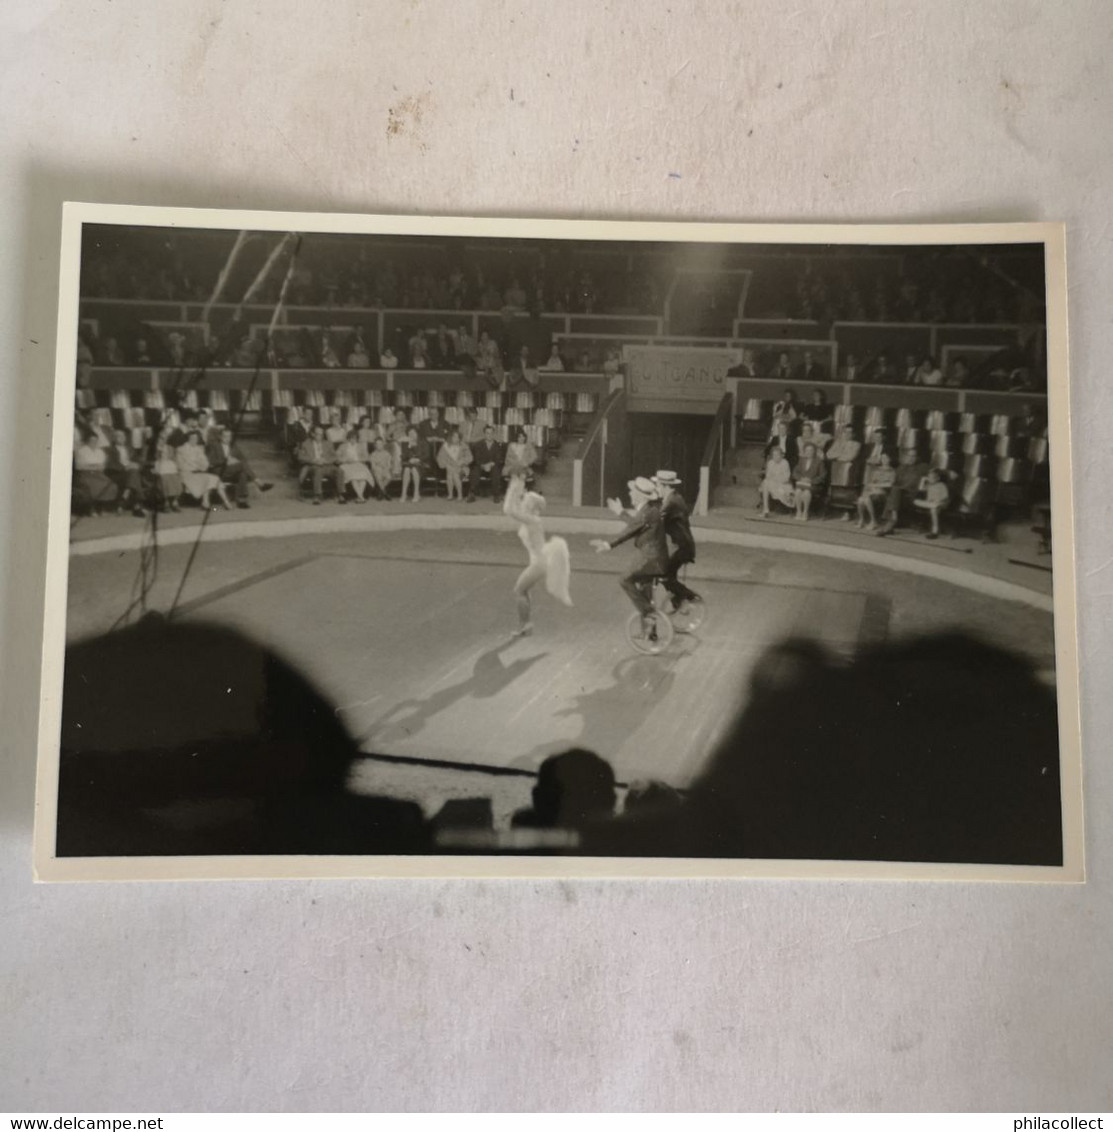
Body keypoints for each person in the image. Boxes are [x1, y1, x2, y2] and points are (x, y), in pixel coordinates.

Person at [591, 476, 668, 630]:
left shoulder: (648, 512)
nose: (630, 495)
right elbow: (635, 525)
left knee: (624, 579)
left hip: (651, 559)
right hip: (656, 559)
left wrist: (608, 544)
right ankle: (649, 632)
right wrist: (620, 512)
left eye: (632, 492)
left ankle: (649, 614)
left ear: (641, 496)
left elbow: (630, 530)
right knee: (644, 590)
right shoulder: (648, 511)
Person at [502, 474, 572, 637]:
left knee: (519, 590)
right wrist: (517, 489)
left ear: (532, 506)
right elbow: (513, 507)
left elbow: (508, 510)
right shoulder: (532, 518)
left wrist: (513, 488)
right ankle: (526, 625)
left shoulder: (532, 520)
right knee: (523, 590)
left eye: (526, 501)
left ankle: (524, 626)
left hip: (539, 563)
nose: (523, 503)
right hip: (540, 562)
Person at [652, 470, 699, 611]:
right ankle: (678, 602)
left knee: (664, 575)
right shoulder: (673, 498)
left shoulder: (671, 502)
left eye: (658, 485)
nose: (656, 488)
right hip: (683, 546)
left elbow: (657, 520)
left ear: (665, 485)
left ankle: (688, 597)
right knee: (667, 575)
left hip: (683, 547)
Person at [206, 426, 271, 509]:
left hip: (232, 470)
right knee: (241, 466)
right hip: (219, 471)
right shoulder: (214, 446)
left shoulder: (233, 446)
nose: (227, 439)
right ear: (220, 437)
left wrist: (234, 461)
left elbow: (243, 458)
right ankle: (259, 483)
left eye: (229, 436)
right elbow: (210, 462)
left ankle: (242, 501)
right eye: (225, 436)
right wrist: (226, 461)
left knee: (242, 473)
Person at [876, 448, 930, 535]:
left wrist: (947, 472)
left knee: (894, 492)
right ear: (906, 456)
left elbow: (935, 474)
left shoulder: (923, 467)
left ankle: (890, 522)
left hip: (913, 494)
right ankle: (893, 519)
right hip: (900, 494)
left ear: (918, 457)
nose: (911, 458)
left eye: (914, 456)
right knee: (894, 490)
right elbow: (895, 481)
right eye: (909, 455)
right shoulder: (902, 467)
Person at [177, 429, 232, 511]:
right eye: (192, 438)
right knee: (206, 479)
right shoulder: (181, 449)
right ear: (188, 439)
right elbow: (180, 465)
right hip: (187, 474)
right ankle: (205, 503)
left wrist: (199, 466)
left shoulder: (199, 449)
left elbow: (205, 463)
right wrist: (196, 466)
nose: (194, 441)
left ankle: (226, 502)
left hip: (199, 472)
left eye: (196, 439)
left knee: (214, 478)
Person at [73, 431, 118, 515]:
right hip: (85, 474)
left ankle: (101, 508)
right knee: (92, 486)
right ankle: (92, 509)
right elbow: (79, 466)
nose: (93, 442)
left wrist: (93, 466)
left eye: (95, 441)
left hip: (98, 474)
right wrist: (93, 466)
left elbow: (102, 466)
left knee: (111, 485)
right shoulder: (81, 451)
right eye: (91, 440)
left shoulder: (99, 451)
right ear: (87, 441)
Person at [297, 424, 344, 505]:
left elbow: (334, 457)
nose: (321, 436)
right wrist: (314, 460)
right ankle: (317, 495)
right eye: (318, 434)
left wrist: (326, 460)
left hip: (327, 465)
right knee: (318, 471)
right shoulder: (306, 444)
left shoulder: (328, 443)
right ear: (313, 434)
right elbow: (301, 457)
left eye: (322, 434)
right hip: (314, 466)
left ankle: (340, 494)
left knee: (339, 471)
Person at [104, 429, 147, 517]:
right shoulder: (110, 450)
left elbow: (138, 460)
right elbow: (110, 465)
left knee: (133, 473)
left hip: (130, 474)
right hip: (117, 474)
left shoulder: (130, 449)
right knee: (134, 474)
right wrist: (125, 467)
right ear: (114, 438)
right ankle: (137, 504)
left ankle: (124, 501)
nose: (122, 438)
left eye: (123, 436)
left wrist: (137, 465)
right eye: (119, 436)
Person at [856, 450, 896, 530]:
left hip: (884, 493)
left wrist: (876, 485)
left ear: (890, 459)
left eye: (886, 458)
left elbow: (890, 484)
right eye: (882, 458)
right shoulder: (876, 470)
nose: (884, 460)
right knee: (860, 499)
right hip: (874, 491)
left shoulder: (892, 471)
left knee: (867, 499)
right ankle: (862, 519)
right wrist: (872, 487)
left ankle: (873, 521)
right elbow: (871, 482)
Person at [469, 424, 505, 503]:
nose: (489, 435)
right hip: (481, 465)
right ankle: (472, 493)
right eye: (487, 433)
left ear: (494, 434)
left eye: (491, 433)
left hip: (492, 466)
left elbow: (498, 459)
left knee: (496, 470)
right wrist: (483, 465)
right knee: (475, 470)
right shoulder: (478, 444)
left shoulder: (497, 445)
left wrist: (491, 464)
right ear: (484, 434)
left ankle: (496, 494)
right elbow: (477, 458)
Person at [793, 442, 827, 521]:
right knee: (798, 491)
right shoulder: (802, 460)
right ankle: (798, 511)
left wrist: (811, 481)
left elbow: (823, 475)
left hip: (814, 485)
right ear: (804, 451)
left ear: (814, 451)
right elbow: (795, 472)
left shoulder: (819, 461)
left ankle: (805, 512)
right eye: (807, 450)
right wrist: (801, 478)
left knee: (806, 493)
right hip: (802, 483)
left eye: (811, 450)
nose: (809, 452)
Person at [335, 429, 373, 502]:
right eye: (351, 438)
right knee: (353, 478)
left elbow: (367, 457)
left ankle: (359, 497)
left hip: (358, 464)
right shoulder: (342, 446)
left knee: (363, 477)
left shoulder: (361, 446)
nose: (353, 440)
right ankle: (361, 497)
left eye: (355, 438)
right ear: (348, 438)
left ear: (357, 439)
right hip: (346, 465)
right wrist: (345, 460)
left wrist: (358, 459)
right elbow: (337, 458)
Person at [913, 468, 951, 539]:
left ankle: (934, 531)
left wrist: (936, 501)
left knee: (933, 509)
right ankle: (932, 505)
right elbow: (920, 489)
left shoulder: (941, 485)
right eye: (929, 477)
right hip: (930, 503)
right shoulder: (929, 485)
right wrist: (923, 480)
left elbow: (945, 497)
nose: (930, 479)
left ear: (938, 478)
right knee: (916, 501)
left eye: (932, 477)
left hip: (940, 503)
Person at [437, 428, 472, 501]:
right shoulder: (445, 446)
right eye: (454, 436)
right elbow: (439, 458)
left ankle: (459, 495)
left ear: (460, 438)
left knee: (455, 474)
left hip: (462, 468)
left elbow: (470, 457)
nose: (456, 438)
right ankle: (450, 494)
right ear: (450, 437)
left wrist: (462, 461)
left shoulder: (463, 446)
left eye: (457, 437)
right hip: (449, 467)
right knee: (450, 473)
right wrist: (446, 465)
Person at [759, 446, 795, 517]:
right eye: (774, 455)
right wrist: (775, 478)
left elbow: (786, 478)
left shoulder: (785, 463)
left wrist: (775, 478)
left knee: (766, 484)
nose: (776, 457)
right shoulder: (770, 463)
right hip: (773, 484)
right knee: (766, 483)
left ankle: (766, 509)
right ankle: (766, 509)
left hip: (784, 485)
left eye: (778, 455)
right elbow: (768, 476)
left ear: (782, 455)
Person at [398, 426, 429, 502]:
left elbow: (427, 455)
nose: (412, 435)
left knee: (414, 469)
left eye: (413, 433)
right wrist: (409, 447)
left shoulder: (423, 442)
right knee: (407, 469)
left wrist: (417, 459)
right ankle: (404, 494)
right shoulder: (405, 443)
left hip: (421, 463)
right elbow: (403, 457)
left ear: (417, 433)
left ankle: (416, 494)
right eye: (409, 434)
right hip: (409, 463)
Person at [151, 437, 182, 512]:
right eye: (159, 441)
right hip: (160, 469)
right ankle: (166, 501)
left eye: (162, 441)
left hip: (170, 467)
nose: (161, 442)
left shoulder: (169, 451)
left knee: (175, 478)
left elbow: (174, 464)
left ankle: (174, 501)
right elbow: (156, 464)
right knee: (164, 479)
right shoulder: (156, 455)